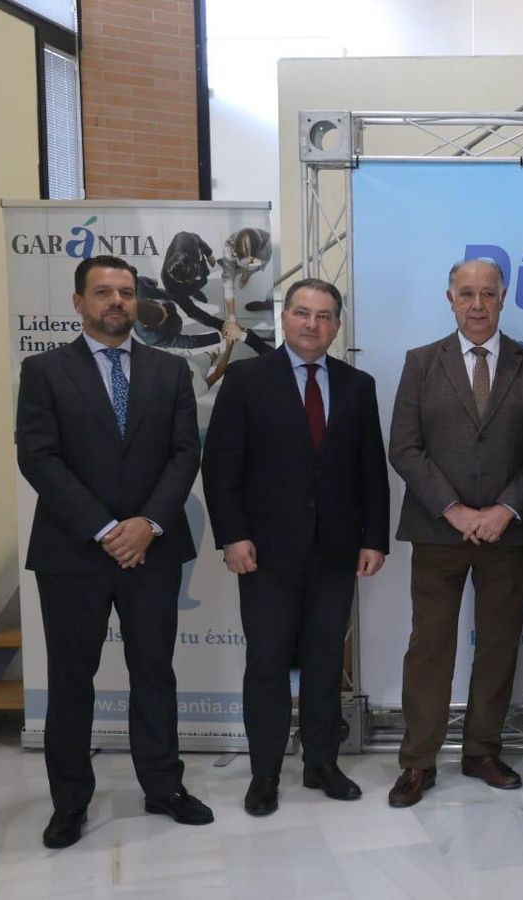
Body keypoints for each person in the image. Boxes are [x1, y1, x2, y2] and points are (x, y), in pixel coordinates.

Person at [16, 255, 210, 848]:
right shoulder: (44, 370)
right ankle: (70, 802)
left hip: (152, 547)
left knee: (154, 672)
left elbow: (184, 456)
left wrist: (147, 523)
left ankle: (163, 787)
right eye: (103, 292)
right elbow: (38, 457)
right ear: (78, 302)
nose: (116, 302)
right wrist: (106, 529)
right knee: (72, 679)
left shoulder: (170, 372)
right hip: (73, 552)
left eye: (125, 292)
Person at [201, 278, 390, 816]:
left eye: (325, 315)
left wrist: (374, 537)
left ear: (336, 325)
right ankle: (264, 773)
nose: (313, 324)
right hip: (264, 552)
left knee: (326, 661)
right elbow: (220, 467)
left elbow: (370, 470)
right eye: (303, 313)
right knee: (265, 663)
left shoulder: (359, 386)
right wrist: (233, 535)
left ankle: (321, 763)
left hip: (335, 552)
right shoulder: (245, 380)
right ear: (285, 319)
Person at [385, 259, 523, 806]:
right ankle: (418, 761)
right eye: (466, 294)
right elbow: (404, 448)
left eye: (487, 294)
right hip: (438, 533)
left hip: (506, 535)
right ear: (449, 298)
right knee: (429, 648)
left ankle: (482, 750)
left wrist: (505, 509)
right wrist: (454, 509)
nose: (477, 304)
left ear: (503, 297)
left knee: (499, 647)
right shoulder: (421, 362)